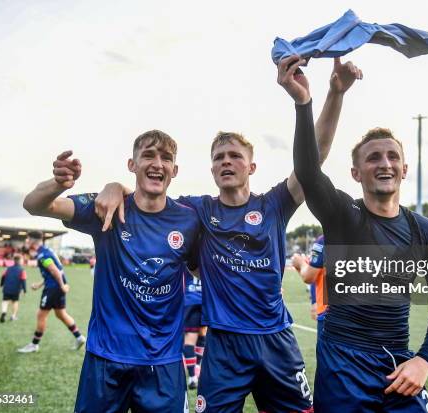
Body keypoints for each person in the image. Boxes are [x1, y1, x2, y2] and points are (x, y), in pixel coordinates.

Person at [94, 57, 363, 413]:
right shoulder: (198, 210)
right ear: (211, 168)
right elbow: (150, 196)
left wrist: (331, 94)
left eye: (235, 156)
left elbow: (314, 160)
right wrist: (115, 186)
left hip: (275, 340)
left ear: (251, 166)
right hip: (223, 345)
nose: (226, 162)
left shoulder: (274, 205)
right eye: (219, 157)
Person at [280, 54, 428, 412]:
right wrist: (307, 102)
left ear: (404, 169)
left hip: (396, 365)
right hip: (343, 367)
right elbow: (308, 170)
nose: (385, 163)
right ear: (356, 173)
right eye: (373, 157)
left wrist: (424, 360)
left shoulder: (424, 230)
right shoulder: (343, 217)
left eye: (392, 156)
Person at [23, 130, 201, 412]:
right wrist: (57, 184)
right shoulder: (105, 207)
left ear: (174, 170)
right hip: (105, 359)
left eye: (166, 158)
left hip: (163, 363)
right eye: (148, 155)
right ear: (132, 164)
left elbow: (200, 271)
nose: (157, 163)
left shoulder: (189, 219)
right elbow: (35, 205)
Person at [17, 231, 86, 354]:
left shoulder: (42, 255)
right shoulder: (45, 251)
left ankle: (34, 344)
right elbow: (52, 272)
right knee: (60, 314)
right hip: (55, 287)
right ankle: (79, 337)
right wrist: (39, 285)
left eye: (27, 239)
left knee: (41, 315)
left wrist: (62, 286)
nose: (26, 242)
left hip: (53, 289)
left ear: (32, 241)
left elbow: (55, 271)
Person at [291, 235, 327, 338]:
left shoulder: (325, 239)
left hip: (330, 314)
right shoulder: (373, 233)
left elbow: (309, 277)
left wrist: (300, 263)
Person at [183, 268, 206, 390]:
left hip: (191, 300)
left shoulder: (187, 258)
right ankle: (197, 367)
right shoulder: (208, 257)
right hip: (205, 300)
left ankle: (192, 376)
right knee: (202, 334)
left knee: (190, 339)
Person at [0, 255, 27, 322]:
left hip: (7, 288)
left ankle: (3, 312)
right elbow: (23, 280)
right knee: (15, 302)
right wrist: (24, 290)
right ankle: (13, 316)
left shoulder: (8, 268)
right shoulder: (22, 270)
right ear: (20, 261)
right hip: (16, 289)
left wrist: (1, 284)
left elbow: (3, 276)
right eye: (22, 260)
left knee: (5, 301)